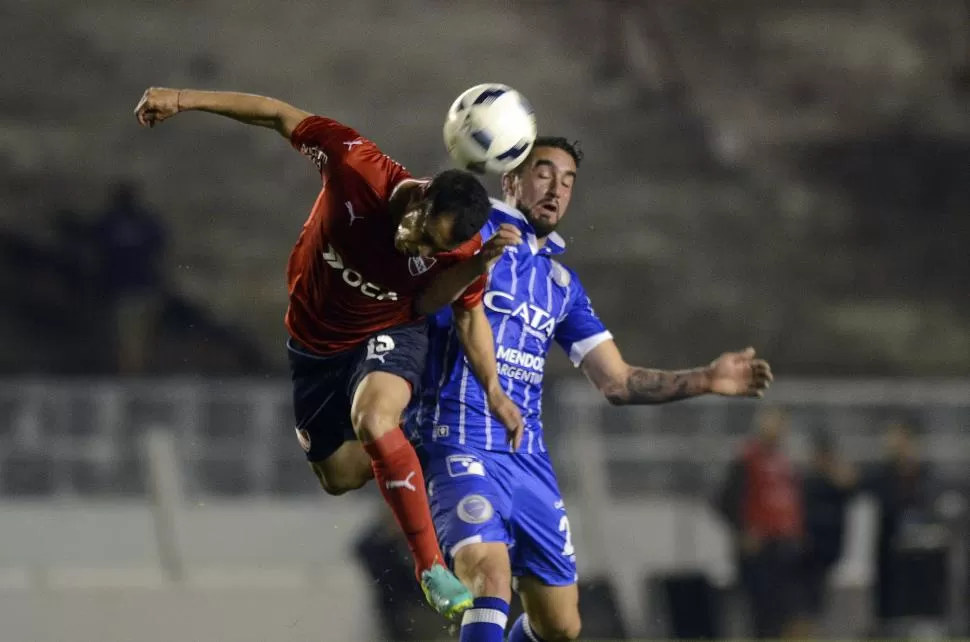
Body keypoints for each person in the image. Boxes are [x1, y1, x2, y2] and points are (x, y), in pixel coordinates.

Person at [133, 87, 526, 620]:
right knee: (339, 476)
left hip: (389, 332)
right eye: (420, 234)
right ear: (420, 197)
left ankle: (431, 569)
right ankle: (416, 444)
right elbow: (277, 115)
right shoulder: (354, 165)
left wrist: (495, 385)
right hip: (313, 344)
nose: (419, 249)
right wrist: (182, 99)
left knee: (374, 417)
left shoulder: (456, 250)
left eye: (435, 249)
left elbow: (443, 305)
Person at [409, 137, 774, 642]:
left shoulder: (561, 283)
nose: (557, 189)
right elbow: (419, 285)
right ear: (510, 179)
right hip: (458, 440)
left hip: (527, 456)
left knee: (560, 625)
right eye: (544, 174)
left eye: (568, 181)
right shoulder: (472, 232)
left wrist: (707, 379)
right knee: (489, 577)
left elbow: (618, 382)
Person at [718, 407, 804, 640]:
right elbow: (723, 499)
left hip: (782, 544)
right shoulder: (746, 459)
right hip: (758, 546)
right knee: (760, 610)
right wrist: (743, 531)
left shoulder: (785, 461)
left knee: (782, 610)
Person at [800, 429, 857, 635]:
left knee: (821, 603)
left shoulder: (835, 482)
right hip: (808, 553)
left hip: (828, 552)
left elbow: (852, 488)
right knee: (808, 604)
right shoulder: (808, 482)